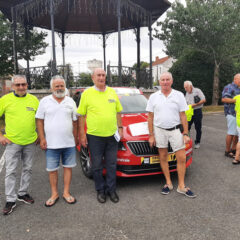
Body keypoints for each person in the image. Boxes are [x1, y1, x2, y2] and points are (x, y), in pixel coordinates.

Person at [146, 72, 196, 198]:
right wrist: (151, 135)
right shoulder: (153, 97)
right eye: (163, 80)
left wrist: (185, 133)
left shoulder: (178, 95)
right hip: (159, 130)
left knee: (182, 158)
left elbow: (183, 115)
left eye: (167, 79)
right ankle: (168, 183)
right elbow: (150, 116)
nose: (165, 82)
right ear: (159, 82)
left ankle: (181, 186)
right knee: (163, 157)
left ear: (172, 81)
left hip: (175, 130)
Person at [78, 68, 123, 204]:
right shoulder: (87, 93)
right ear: (93, 78)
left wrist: (120, 128)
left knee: (111, 164)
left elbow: (118, 112)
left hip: (111, 136)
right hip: (94, 136)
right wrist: (82, 135)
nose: (101, 78)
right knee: (96, 166)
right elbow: (81, 115)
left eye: (103, 75)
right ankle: (100, 190)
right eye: (98, 75)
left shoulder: (112, 92)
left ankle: (111, 190)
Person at [36, 75, 78, 207]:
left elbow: (75, 122)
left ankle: (66, 192)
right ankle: (54, 193)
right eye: (57, 86)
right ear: (51, 88)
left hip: (68, 143)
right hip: (51, 143)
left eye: (61, 86)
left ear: (65, 87)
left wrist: (76, 138)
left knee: (68, 168)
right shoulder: (44, 101)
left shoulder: (70, 101)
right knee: (52, 170)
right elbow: (39, 121)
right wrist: (42, 138)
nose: (59, 88)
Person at [0, 75, 39, 215]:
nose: (21, 87)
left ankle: (22, 193)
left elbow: (40, 119)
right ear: (13, 87)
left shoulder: (34, 100)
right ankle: (10, 199)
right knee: (11, 171)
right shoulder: (5, 100)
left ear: (27, 85)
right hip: (12, 142)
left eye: (23, 84)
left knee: (27, 169)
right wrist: (0, 135)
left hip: (30, 141)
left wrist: (40, 135)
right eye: (18, 85)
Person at [222, 74, 240, 158]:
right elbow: (224, 99)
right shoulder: (229, 87)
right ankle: (227, 150)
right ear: (235, 79)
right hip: (231, 113)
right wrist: (236, 100)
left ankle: (233, 149)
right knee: (231, 132)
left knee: (236, 133)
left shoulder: (238, 88)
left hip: (238, 114)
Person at [184, 81, 206, 149]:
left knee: (198, 127)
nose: (185, 89)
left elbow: (203, 100)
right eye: (184, 87)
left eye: (186, 87)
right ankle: (187, 141)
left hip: (197, 111)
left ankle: (197, 142)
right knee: (187, 127)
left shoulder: (197, 91)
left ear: (190, 86)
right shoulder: (186, 93)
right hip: (189, 111)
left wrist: (195, 105)